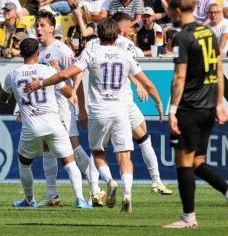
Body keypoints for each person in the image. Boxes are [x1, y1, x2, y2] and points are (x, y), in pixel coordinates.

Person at [24, 18, 164, 213]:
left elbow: (66, 75)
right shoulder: (125, 55)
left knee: (98, 153)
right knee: (125, 156)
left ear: (98, 35)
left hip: (98, 111)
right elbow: (147, 84)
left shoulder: (92, 52)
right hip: (121, 111)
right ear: (116, 35)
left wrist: (40, 83)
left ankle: (109, 181)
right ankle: (128, 193)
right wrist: (158, 102)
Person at [163, 0, 228, 229]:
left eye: (169, 9)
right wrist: (219, 103)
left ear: (177, 10)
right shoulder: (208, 33)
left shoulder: (183, 37)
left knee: (183, 162)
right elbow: (219, 69)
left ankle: (188, 218)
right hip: (208, 106)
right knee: (198, 161)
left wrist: (172, 110)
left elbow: (179, 76)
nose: (168, 14)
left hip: (189, 107)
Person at [84, 12, 172, 195]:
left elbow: (80, 71)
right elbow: (129, 67)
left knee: (99, 148)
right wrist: (140, 85)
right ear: (121, 28)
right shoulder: (127, 46)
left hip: (103, 104)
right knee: (142, 138)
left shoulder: (92, 45)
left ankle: (95, 189)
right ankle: (155, 181)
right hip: (123, 102)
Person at [0, 38, 92, 209]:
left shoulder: (13, 74)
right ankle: (80, 199)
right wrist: (57, 77)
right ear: (37, 53)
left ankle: (29, 200)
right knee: (69, 161)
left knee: (24, 162)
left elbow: (3, 98)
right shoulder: (48, 71)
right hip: (53, 122)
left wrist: (14, 94)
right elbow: (68, 92)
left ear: (20, 54)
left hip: (31, 126)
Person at [33, 10, 92, 208]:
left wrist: (82, 109)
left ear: (52, 28)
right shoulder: (36, 52)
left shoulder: (63, 50)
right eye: (36, 25)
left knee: (72, 148)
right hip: (45, 109)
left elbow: (78, 77)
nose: (38, 28)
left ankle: (95, 189)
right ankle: (52, 195)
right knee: (46, 147)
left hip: (63, 108)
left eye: (42, 25)